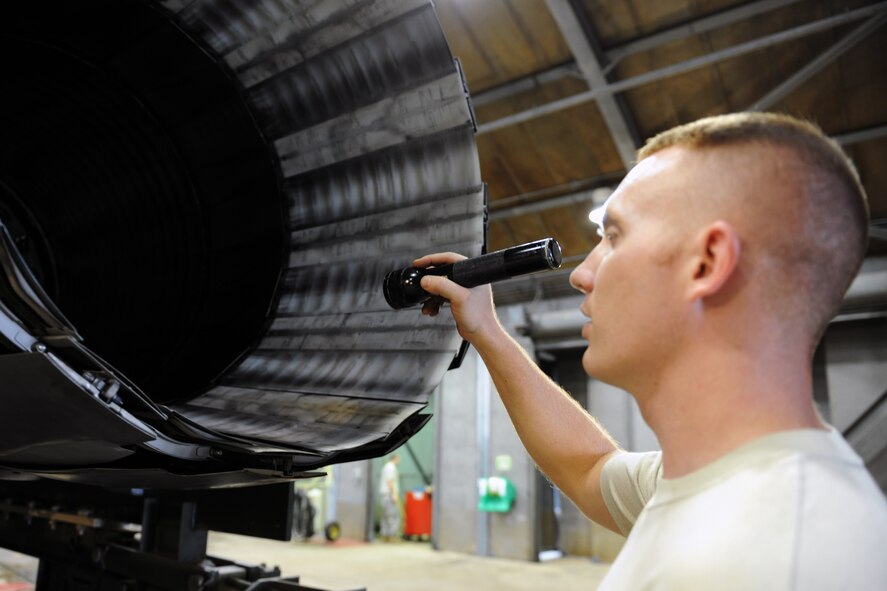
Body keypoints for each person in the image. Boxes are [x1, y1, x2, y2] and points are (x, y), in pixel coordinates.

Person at [416, 113, 887, 589]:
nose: (581, 275)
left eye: (615, 236)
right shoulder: (715, 483)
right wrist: (489, 333)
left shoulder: (781, 559)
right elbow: (588, 467)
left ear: (706, 263)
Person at [379, 453, 401, 542]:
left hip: (385, 495)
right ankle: (393, 536)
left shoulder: (386, 467)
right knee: (393, 516)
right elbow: (390, 481)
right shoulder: (391, 467)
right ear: (395, 459)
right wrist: (394, 494)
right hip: (389, 495)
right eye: (399, 459)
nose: (399, 462)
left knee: (386, 516)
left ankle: (385, 536)